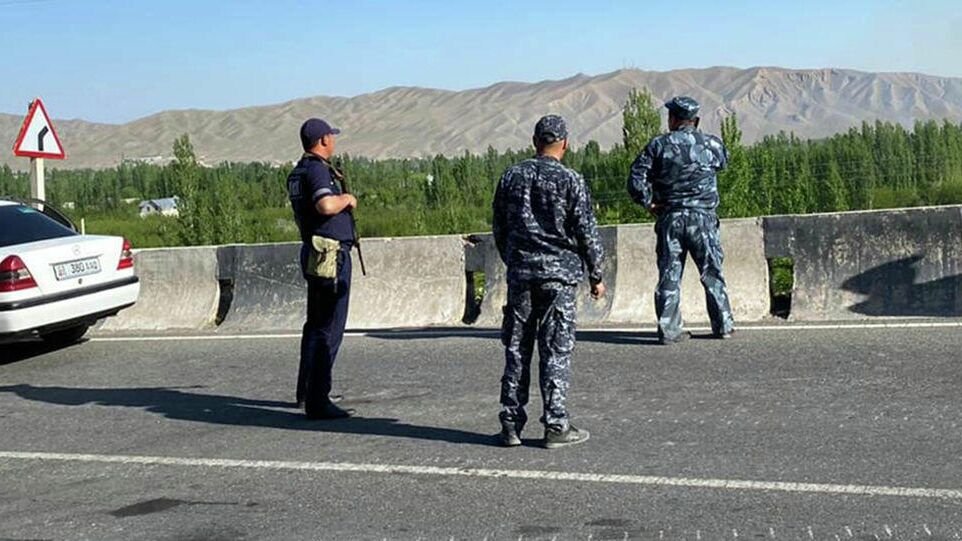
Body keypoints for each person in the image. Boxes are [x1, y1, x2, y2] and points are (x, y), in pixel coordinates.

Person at [492, 114, 606, 449]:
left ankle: (511, 424)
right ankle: (555, 425)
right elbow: (587, 232)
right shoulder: (571, 180)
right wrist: (596, 274)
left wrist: (514, 260)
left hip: (522, 275)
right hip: (559, 277)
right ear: (565, 144)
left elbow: (499, 226)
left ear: (534, 141)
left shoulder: (512, 176)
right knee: (556, 350)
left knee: (517, 349)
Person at [627, 96, 736, 345]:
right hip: (703, 220)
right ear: (695, 120)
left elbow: (635, 179)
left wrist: (648, 202)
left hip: (671, 218)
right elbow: (723, 163)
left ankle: (669, 329)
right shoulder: (712, 144)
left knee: (669, 274)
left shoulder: (658, 145)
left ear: (672, 119)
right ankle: (723, 324)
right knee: (712, 271)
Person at [287, 118, 357, 419]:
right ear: (323, 140)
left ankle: (308, 390)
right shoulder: (316, 170)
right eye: (331, 136)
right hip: (330, 256)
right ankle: (318, 398)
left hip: (314, 253)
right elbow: (325, 206)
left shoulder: (298, 171)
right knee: (329, 327)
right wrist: (347, 199)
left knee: (315, 325)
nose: (334, 140)